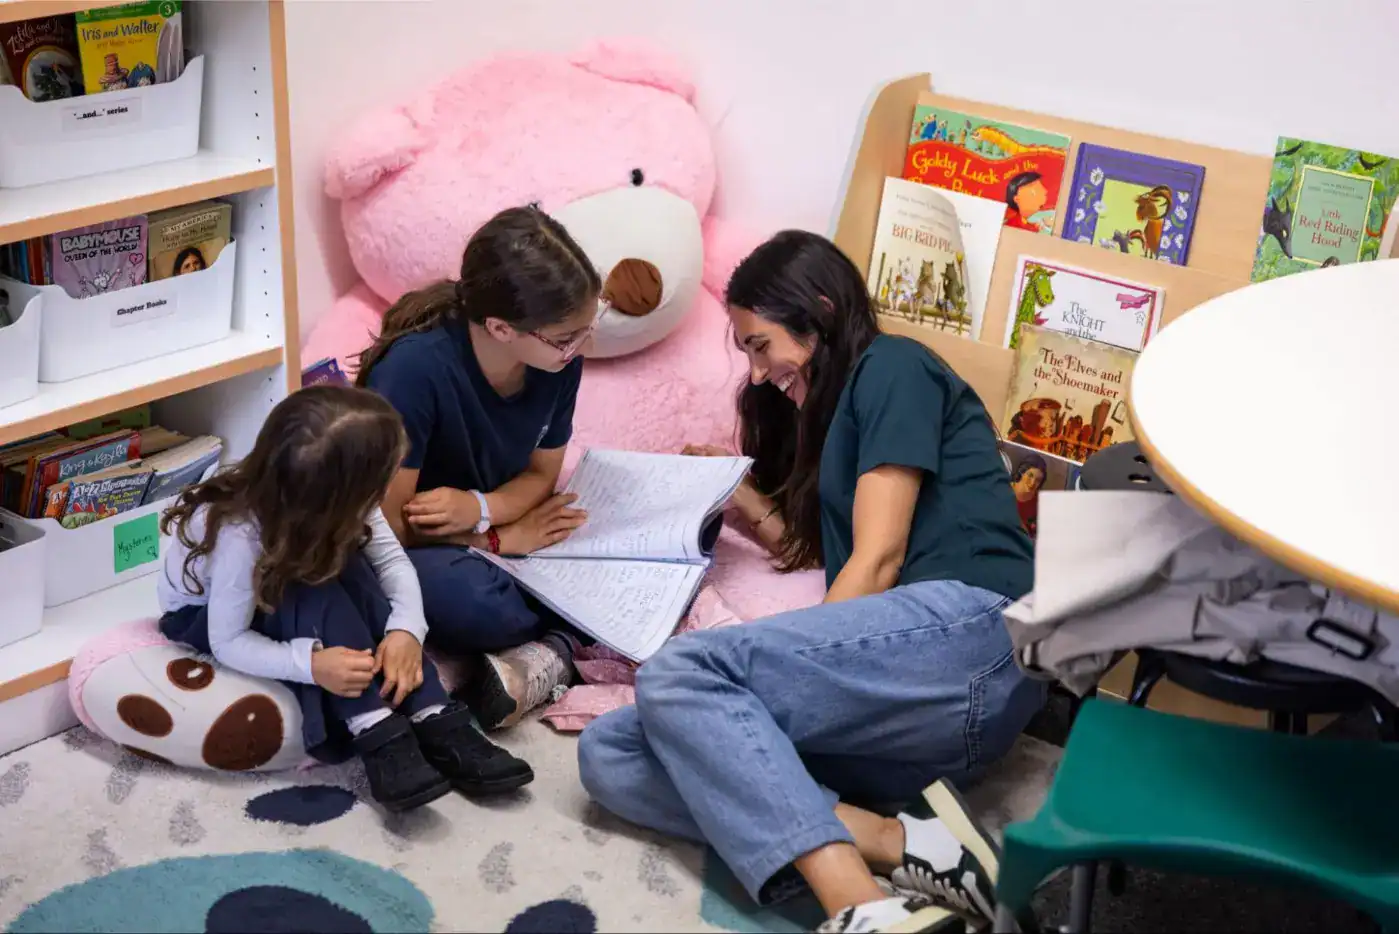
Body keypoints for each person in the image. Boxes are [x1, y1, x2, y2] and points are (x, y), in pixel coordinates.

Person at [578, 230, 1045, 934]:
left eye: (760, 345)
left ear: (819, 310)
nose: (757, 371)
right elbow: (818, 554)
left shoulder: (893, 366)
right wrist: (740, 497)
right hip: (916, 720)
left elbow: (878, 560)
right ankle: (903, 841)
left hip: (979, 632)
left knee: (684, 674)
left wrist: (769, 669)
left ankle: (860, 908)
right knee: (611, 753)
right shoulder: (833, 421)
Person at [158, 385, 532, 811]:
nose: (389, 490)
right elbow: (227, 640)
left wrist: (407, 630)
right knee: (312, 584)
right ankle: (374, 727)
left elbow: (392, 563)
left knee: (353, 566)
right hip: (202, 616)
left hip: (294, 563)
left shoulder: (332, 497)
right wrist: (311, 665)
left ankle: (432, 712)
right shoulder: (240, 536)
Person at [355, 205, 599, 732]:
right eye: (567, 337)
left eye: (589, 327)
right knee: (458, 598)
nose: (584, 347)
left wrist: (484, 508)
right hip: (422, 550)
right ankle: (566, 642)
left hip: (497, 525)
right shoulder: (414, 369)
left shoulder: (558, 362)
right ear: (500, 328)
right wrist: (498, 538)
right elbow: (385, 529)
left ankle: (547, 643)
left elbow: (541, 476)